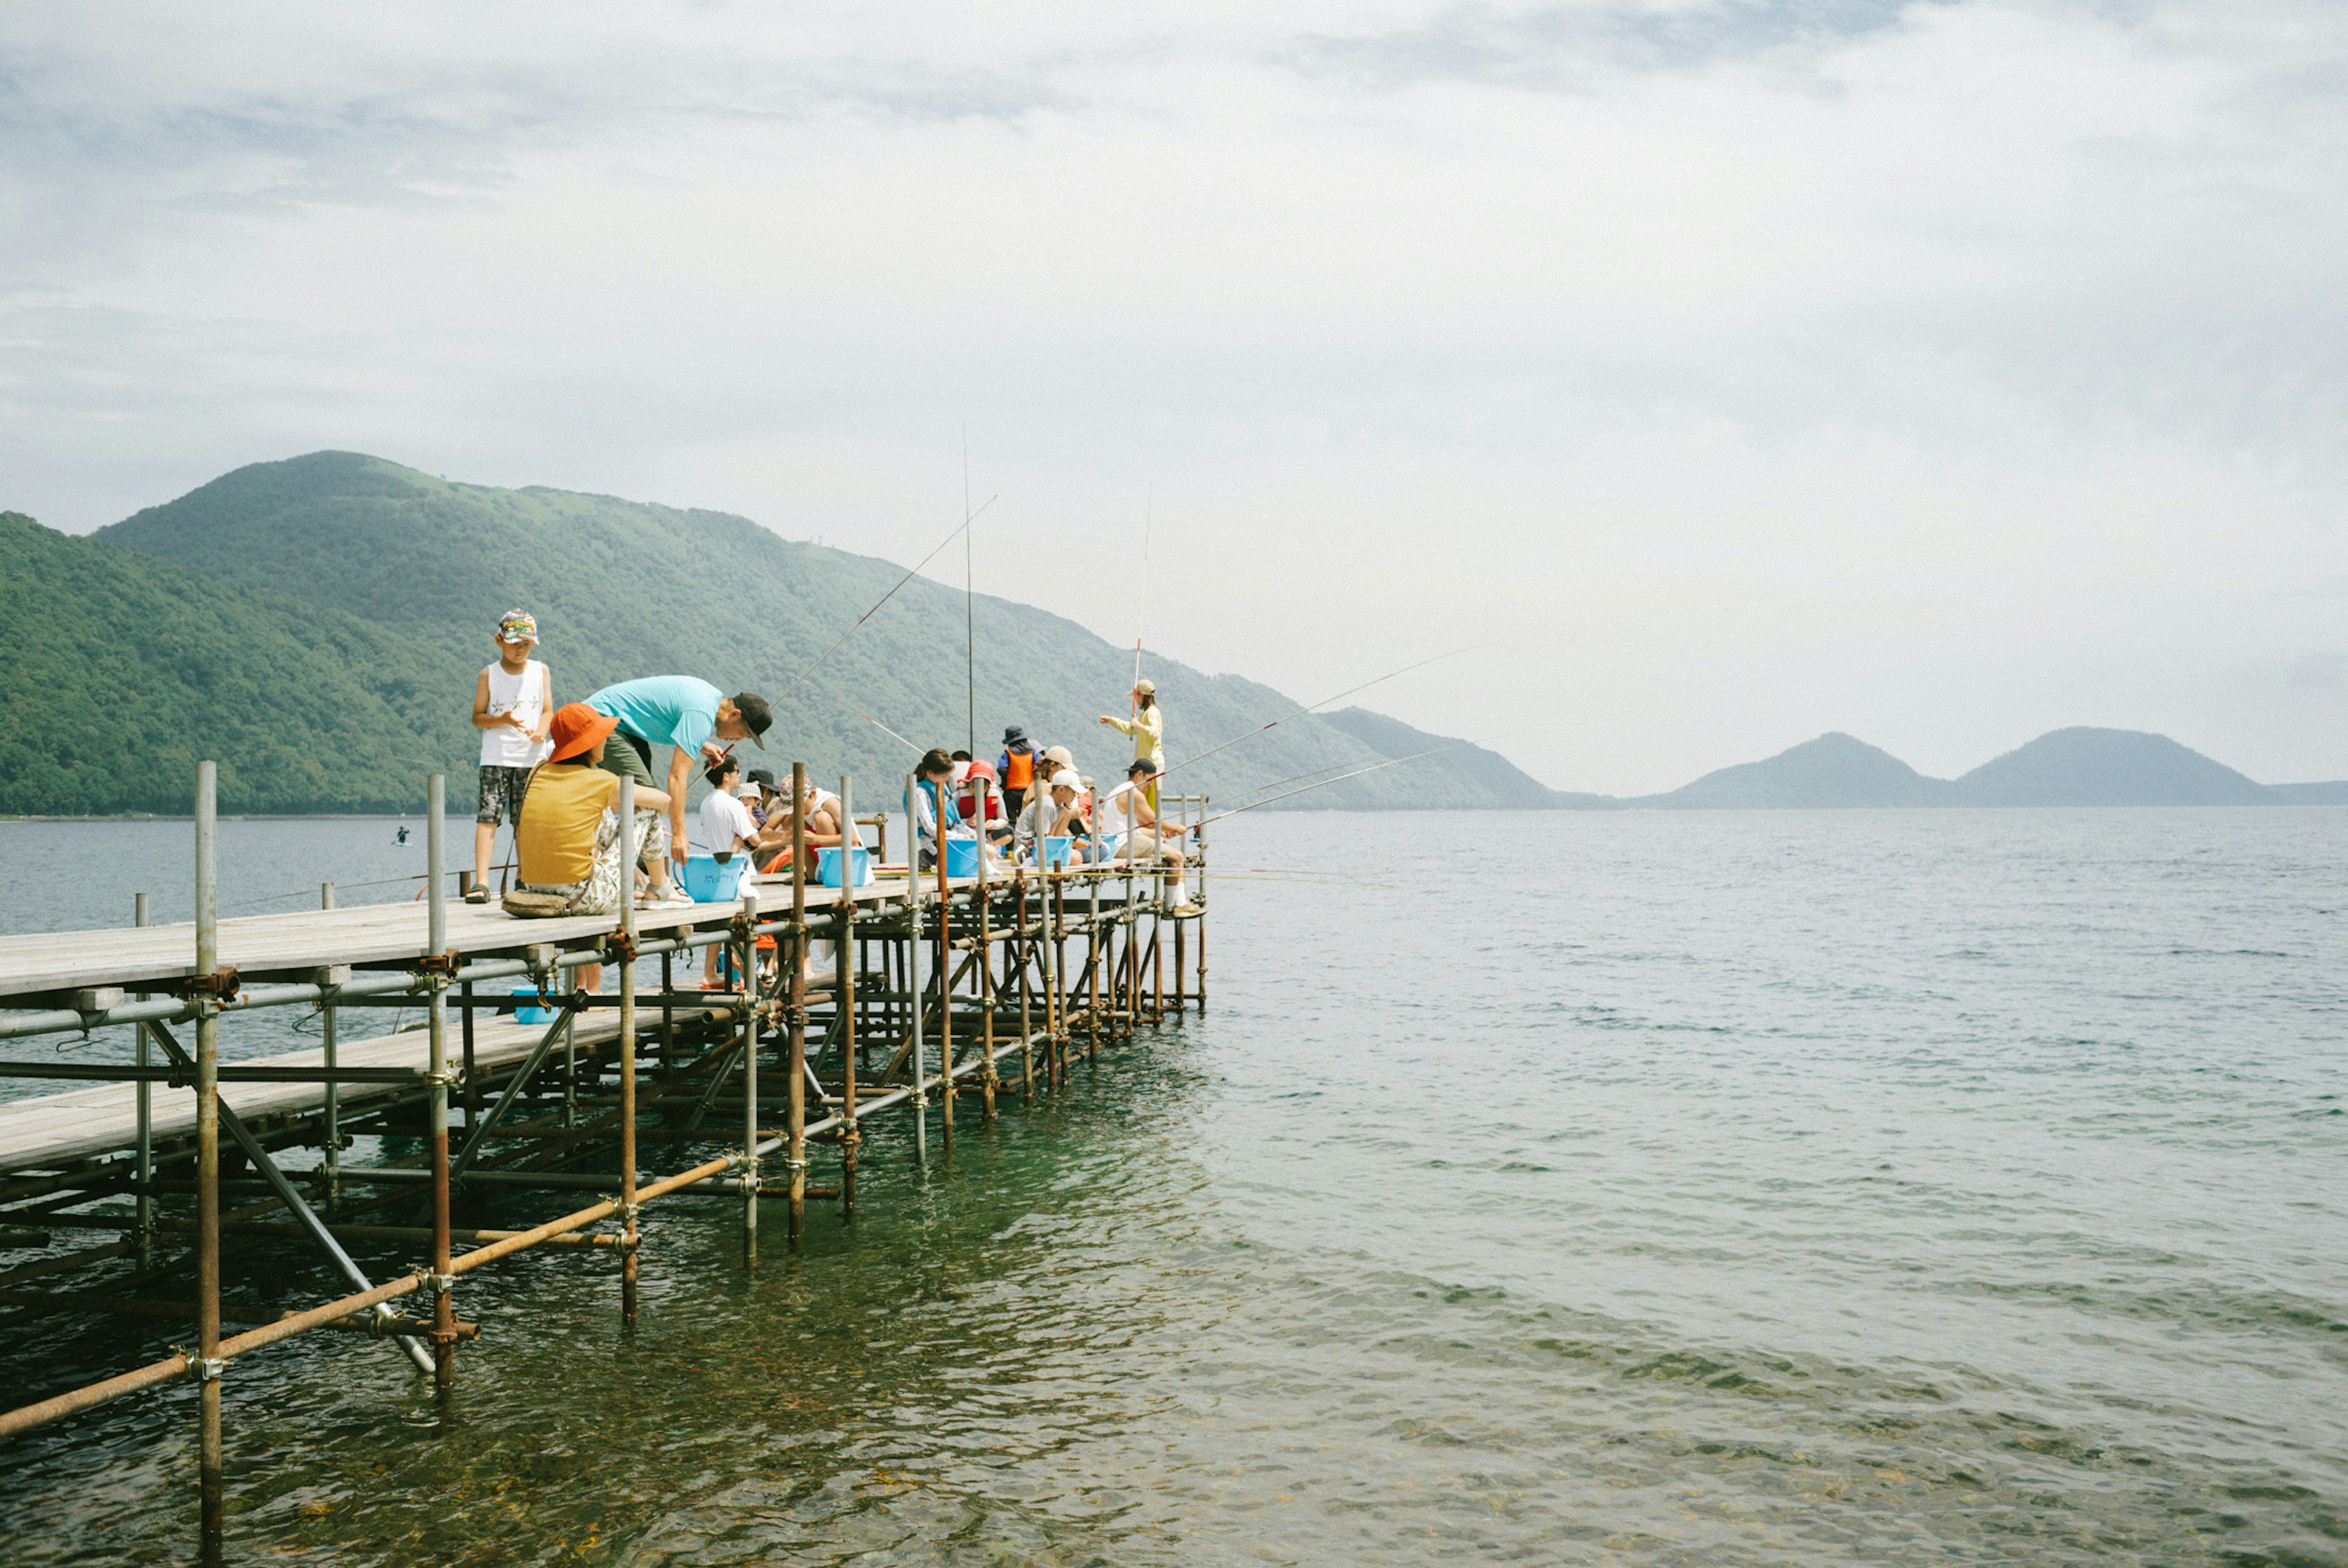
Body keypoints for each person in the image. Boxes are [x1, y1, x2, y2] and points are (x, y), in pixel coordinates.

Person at [512, 703, 674, 988]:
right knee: (646, 812)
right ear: (588, 744)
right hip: (581, 898)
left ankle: (650, 883)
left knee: (597, 813)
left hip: (535, 890)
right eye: (601, 736)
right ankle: (659, 886)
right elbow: (663, 801)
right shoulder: (600, 781)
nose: (605, 741)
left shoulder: (537, 773)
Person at [583, 677, 771, 905]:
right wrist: (680, 834)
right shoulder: (701, 715)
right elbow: (676, 777)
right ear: (734, 715)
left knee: (644, 801)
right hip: (603, 721)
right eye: (743, 733)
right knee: (650, 800)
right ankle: (656, 885)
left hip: (622, 726)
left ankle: (643, 883)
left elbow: (667, 715)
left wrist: (702, 745)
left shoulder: (708, 699)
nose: (738, 739)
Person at [469, 609, 554, 903]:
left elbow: (547, 710)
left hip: (531, 757)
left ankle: (524, 876)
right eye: (516, 642)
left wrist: (542, 733)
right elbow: (477, 718)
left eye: (527, 644)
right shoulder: (488, 674)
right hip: (497, 755)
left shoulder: (540, 670)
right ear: (499, 641)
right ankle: (482, 882)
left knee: (525, 821)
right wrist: (502, 719)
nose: (521, 649)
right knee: (488, 818)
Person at [1100, 757, 1198, 914]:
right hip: (1122, 846)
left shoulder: (1119, 789)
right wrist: (1175, 827)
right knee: (1177, 856)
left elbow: (1133, 829)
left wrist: (1162, 833)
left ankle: (1178, 902)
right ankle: (1175, 905)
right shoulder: (1133, 793)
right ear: (1140, 775)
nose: (1150, 785)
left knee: (1171, 851)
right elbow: (1154, 821)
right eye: (1150, 780)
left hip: (1116, 843)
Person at [1099, 677, 1165, 808]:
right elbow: (1130, 729)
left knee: (1149, 805)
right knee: (1142, 804)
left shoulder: (1152, 712)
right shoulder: (1146, 713)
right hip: (1145, 765)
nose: (1135, 700)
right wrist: (1112, 720)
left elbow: (1155, 733)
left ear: (1142, 695)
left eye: (1136, 697)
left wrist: (1139, 725)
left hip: (1152, 765)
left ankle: (1152, 828)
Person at [1014, 768, 1093, 864]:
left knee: (1066, 813)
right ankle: (1027, 857)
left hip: (1043, 843)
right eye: (1073, 792)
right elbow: (1044, 837)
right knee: (1077, 857)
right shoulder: (1048, 805)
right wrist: (1072, 841)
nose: (1075, 796)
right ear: (1061, 790)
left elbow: (1051, 836)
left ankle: (1048, 857)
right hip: (1029, 844)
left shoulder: (1059, 806)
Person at [997, 726, 1038, 820]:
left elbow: (1001, 769)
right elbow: (1040, 764)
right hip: (1029, 791)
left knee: (1011, 818)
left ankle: (1012, 832)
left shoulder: (1007, 753)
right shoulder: (1033, 753)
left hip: (1011, 791)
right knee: (1027, 817)